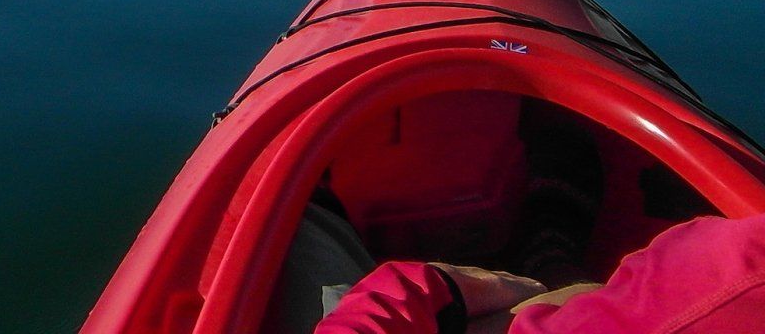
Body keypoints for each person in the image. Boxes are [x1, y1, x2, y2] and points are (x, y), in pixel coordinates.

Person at [313, 213, 765, 333]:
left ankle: (553, 264)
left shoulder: (732, 277)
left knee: (308, 230)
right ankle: (556, 263)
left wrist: (433, 284)